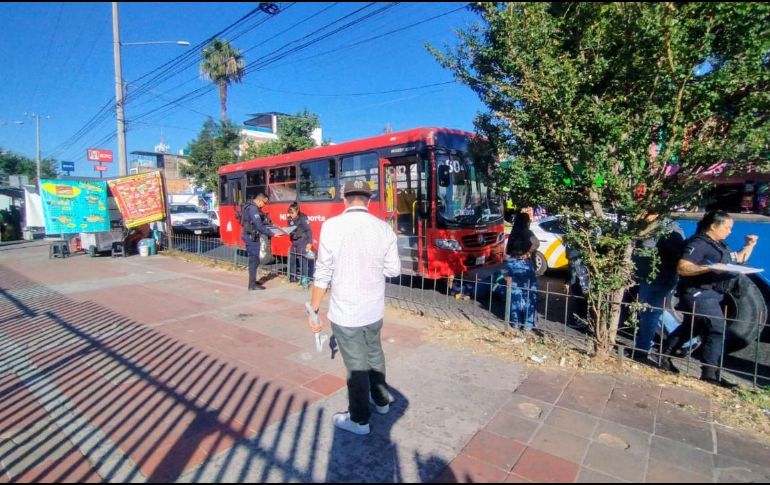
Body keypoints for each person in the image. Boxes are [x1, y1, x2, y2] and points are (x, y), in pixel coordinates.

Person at [306, 179, 400, 435]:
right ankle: (381, 401)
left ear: (344, 199)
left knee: (356, 365)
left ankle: (359, 420)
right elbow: (393, 270)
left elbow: (323, 271)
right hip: (374, 309)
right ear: (369, 200)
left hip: (346, 311)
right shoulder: (384, 229)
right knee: (374, 354)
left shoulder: (332, 227)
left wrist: (314, 310)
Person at [660, 210, 759, 387]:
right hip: (698, 293)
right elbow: (683, 268)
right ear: (713, 226)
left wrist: (749, 245)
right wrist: (707, 268)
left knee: (692, 326)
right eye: (727, 227)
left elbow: (738, 259)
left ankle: (663, 356)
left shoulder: (719, 244)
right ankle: (710, 374)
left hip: (713, 294)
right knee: (716, 329)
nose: (730, 231)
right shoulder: (699, 243)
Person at [631, 217, 685, 363]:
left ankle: (642, 350)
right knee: (653, 311)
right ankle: (688, 342)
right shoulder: (645, 223)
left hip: (659, 278)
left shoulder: (669, 227)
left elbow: (678, 253)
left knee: (650, 312)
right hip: (647, 277)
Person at [504, 212, 540, 331]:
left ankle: (515, 322)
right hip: (524, 264)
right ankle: (528, 325)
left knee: (515, 294)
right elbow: (536, 243)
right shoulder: (527, 232)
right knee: (529, 293)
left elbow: (508, 251)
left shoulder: (513, 233)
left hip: (512, 263)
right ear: (527, 222)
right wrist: (528, 253)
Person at [241, 193, 274, 291]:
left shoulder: (252, 207)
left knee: (255, 260)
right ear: (260, 200)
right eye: (264, 203)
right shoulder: (253, 208)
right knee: (254, 260)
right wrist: (272, 234)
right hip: (251, 238)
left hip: (251, 236)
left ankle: (253, 282)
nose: (264, 205)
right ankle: (252, 285)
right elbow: (259, 226)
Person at [287, 202, 313, 288]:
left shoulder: (303, 218)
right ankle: (293, 276)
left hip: (303, 241)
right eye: (289, 213)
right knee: (292, 259)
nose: (291, 215)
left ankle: (304, 279)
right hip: (294, 242)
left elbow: (308, 230)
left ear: (297, 211)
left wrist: (309, 242)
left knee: (303, 261)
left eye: (292, 213)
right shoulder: (290, 218)